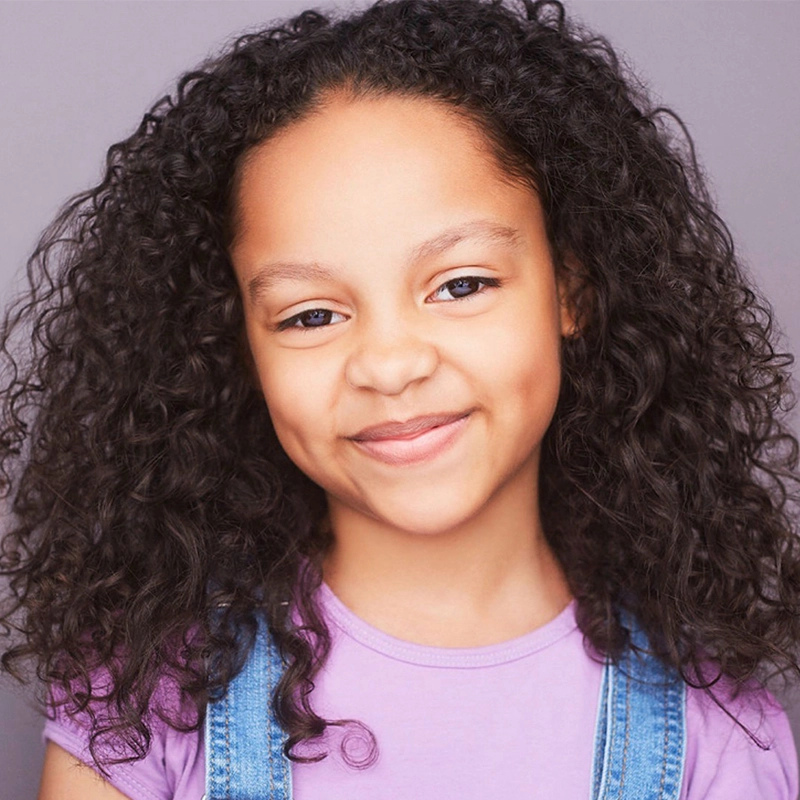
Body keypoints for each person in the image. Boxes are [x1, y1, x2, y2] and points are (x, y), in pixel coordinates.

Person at [1, 0, 798, 797]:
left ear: (573, 290)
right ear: (236, 346)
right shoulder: (144, 704)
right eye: (311, 315)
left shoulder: (717, 735)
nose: (388, 365)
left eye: (460, 284)